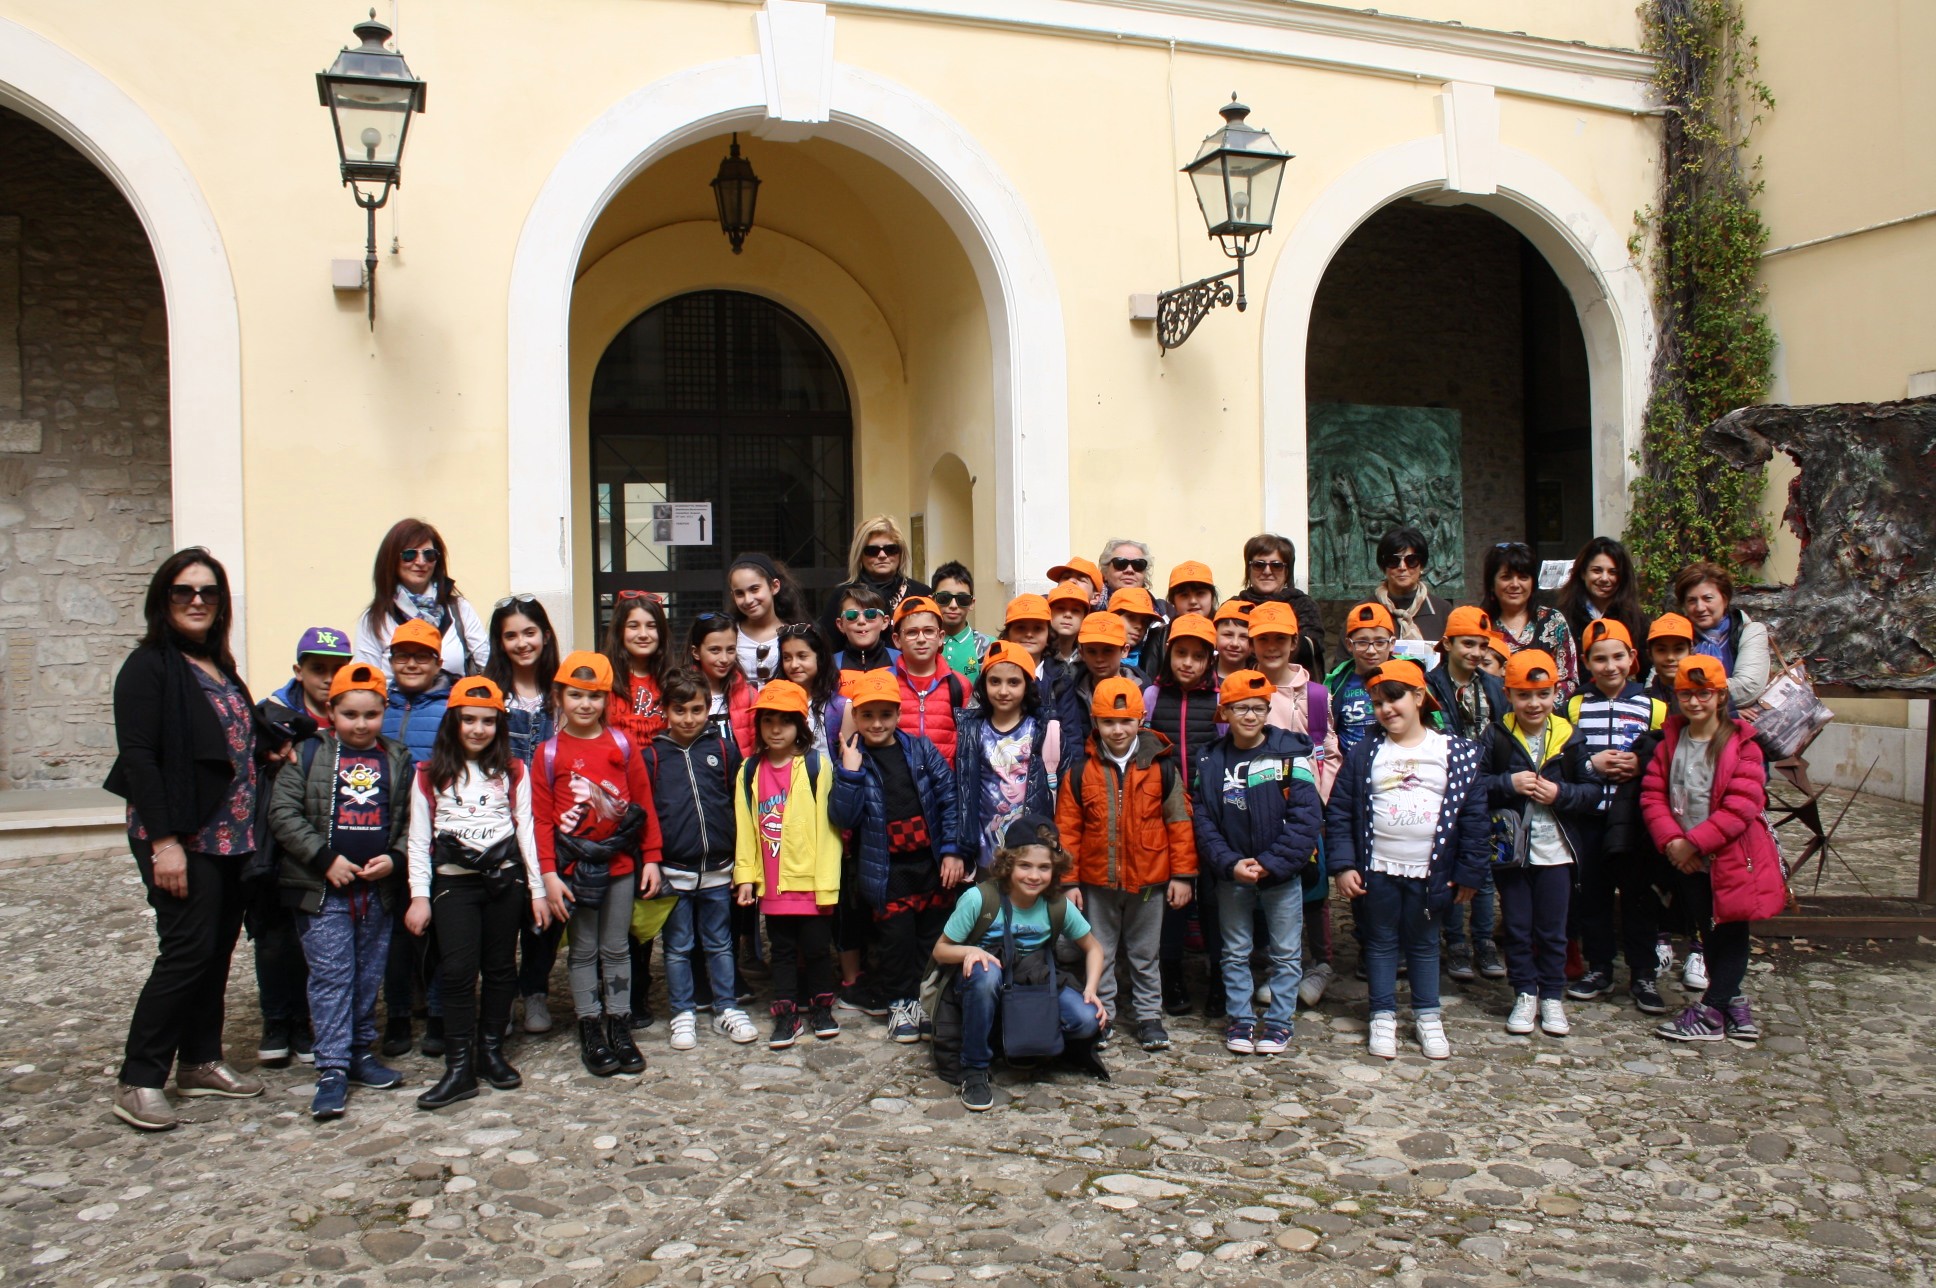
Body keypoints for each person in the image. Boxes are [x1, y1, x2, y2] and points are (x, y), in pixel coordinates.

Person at [106, 550, 269, 1131]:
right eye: (183, 592)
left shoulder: (218, 666)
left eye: (208, 592)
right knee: (185, 952)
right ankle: (140, 1077)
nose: (196, 601)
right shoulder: (148, 667)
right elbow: (141, 760)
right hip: (184, 837)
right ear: (163, 600)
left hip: (230, 837)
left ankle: (199, 1061)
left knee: (216, 950)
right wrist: (164, 842)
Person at [268, 661, 411, 1120]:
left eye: (371, 714)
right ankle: (331, 1065)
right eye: (350, 714)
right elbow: (283, 814)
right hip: (324, 889)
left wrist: (396, 858)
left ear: (384, 712)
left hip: (376, 890)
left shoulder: (396, 757)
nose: (361, 724)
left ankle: (360, 1053)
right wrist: (324, 859)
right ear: (332, 711)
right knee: (332, 975)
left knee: (369, 972)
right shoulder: (310, 753)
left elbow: (411, 819)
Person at [1325, 660, 1489, 1062]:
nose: (1386, 709)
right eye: (1378, 702)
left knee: (1424, 943)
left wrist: (1469, 871)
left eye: (1394, 698)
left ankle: (1427, 1014)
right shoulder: (1366, 753)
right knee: (1379, 942)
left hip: (1430, 872)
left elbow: (1474, 817)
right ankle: (1382, 1013)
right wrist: (1344, 865)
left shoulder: (1454, 753)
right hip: (1378, 868)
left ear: (1419, 697)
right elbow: (1341, 811)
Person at [404, 677, 550, 1109]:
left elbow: (526, 831)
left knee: (502, 968)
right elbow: (418, 840)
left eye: (488, 721)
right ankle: (458, 1065)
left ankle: (490, 1052)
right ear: (454, 721)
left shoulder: (512, 771)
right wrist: (419, 895)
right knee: (457, 972)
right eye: (469, 719)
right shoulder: (430, 774)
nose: (478, 729)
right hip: (455, 883)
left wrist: (537, 891)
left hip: (505, 881)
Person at [1642, 658, 1788, 1044]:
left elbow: (1741, 805)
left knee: (1731, 933)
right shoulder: (1670, 741)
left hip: (1732, 860)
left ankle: (1712, 1010)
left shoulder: (1743, 746)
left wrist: (1694, 842)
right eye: (1686, 694)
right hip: (1688, 862)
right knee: (1707, 930)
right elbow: (1653, 795)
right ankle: (1732, 1003)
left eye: (1703, 693)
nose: (1694, 701)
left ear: (1721, 695)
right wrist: (1673, 842)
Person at [534, 651, 661, 1078]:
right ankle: (590, 1024)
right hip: (574, 871)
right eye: (576, 695)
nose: (585, 704)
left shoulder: (622, 745)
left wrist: (652, 860)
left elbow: (643, 804)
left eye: (594, 696)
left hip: (622, 865)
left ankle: (619, 1023)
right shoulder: (548, 754)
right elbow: (541, 820)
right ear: (559, 697)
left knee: (617, 947)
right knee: (583, 949)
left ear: (607, 699)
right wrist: (549, 874)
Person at [931, 815, 1108, 1112]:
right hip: (981, 981)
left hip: (1031, 980)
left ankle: (1026, 1040)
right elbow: (940, 950)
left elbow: (1094, 948)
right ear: (1008, 864)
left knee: (1087, 1019)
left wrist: (1090, 990)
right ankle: (974, 1068)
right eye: (1025, 866)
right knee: (985, 975)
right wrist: (969, 953)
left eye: (1044, 868)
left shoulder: (1057, 905)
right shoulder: (978, 899)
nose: (1034, 876)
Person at [1057, 677, 1196, 1052]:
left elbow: (1180, 823)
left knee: (1145, 952)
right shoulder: (1079, 772)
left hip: (1150, 881)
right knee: (1099, 951)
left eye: (1125, 721)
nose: (1117, 730)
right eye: (1107, 722)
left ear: (1141, 719)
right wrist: (1068, 881)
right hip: (1097, 882)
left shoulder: (1162, 769)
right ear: (1095, 721)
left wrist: (1183, 876)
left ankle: (1149, 1015)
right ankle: (1103, 1015)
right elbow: (1067, 831)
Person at [1191, 670, 1323, 1057]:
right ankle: (1241, 1018)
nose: (1249, 716)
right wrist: (1229, 863)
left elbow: (1306, 818)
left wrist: (1270, 863)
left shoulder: (1291, 753)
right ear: (1224, 713)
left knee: (1285, 952)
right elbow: (1203, 819)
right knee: (1234, 951)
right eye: (1240, 708)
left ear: (1268, 711)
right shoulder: (1210, 760)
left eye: (1257, 708)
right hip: (1231, 874)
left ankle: (1280, 1022)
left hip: (1280, 874)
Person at [831, 668, 962, 1043]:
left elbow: (948, 798)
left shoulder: (920, 750)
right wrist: (850, 775)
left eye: (885, 714)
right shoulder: (852, 760)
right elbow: (843, 816)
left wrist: (951, 851)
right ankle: (899, 1002)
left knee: (929, 938)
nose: (876, 723)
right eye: (867, 715)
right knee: (896, 940)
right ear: (856, 716)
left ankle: (924, 1000)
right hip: (888, 868)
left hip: (928, 863)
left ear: (897, 713)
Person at [249, 627, 352, 1069]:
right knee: (275, 935)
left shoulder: (353, 711)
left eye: (336, 669)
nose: (327, 678)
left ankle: (308, 1020)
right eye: (318, 669)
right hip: (280, 841)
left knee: (316, 935)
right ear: (299, 671)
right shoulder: (271, 715)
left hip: (332, 844)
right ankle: (277, 1020)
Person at [641, 670, 758, 1050]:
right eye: (680, 710)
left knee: (721, 943)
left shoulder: (723, 750)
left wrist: (742, 866)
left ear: (709, 709)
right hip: (674, 871)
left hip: (719, 869)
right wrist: (653, 862)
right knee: (677, 947)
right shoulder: (653, 757)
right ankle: (682, 1012)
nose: (689, 718)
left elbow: (739, 805)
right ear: (665, 711)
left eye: (696, 709)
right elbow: (648, 815)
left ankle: (726, 1007)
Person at [1484, 650, 1595, 1039]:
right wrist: (1506, 785)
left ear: (1555, 693)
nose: (1534, 704)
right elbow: (1476, 786)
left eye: (1543, 694)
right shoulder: (1497, 735)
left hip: (1557, 850)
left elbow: (1590, 791)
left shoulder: (1569, 736)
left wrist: (1560, 793)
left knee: (1553, 929)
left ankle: (1551, 995)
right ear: (1508, 693)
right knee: (1517, 926)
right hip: (1511, 851)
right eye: (1524, 695)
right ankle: (1524, 992)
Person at [1563, 619, 1668, 1008]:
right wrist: (1593, 766)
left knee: (1639, 896)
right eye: (1600, 659)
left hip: (1634, 817)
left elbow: (1663, 752)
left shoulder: (1652, 705)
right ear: (1587, 663)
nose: (1610, 666)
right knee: (1593, 894)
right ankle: (1600, 966)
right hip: (1590, 814)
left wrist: (1640, 765)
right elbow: (1567, 755)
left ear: (1632, 658)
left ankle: (1643, 973)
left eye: (1618, 657)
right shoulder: (1575, 704)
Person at [733, 680, 844, 1048]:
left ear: (800, 725)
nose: (775, 729)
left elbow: (829, 833)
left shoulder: (816, 766)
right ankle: (787, 1015)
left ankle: (821, 1007)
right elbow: (746, 829)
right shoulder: (750, 770)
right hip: (773, 883)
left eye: (784, 720)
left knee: (815, 949)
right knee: (781, 951)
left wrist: (826, 885)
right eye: (768, 721)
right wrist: (746, 876)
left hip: (812, 884)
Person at [485, 595, 566, 1035]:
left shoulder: (562, 693)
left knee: (547, 911)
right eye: (511, 635)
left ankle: (534, 989)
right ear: (500, 642)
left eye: (529, 632)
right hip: (499, 820)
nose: (522, 642)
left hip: (550, 820)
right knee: (504, 908)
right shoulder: (490, 693)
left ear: (545, 635)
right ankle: (499, 998)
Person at [378, 617, 453, 1057]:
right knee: (397, 934)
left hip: (436, 832)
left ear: (437, 662)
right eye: (402, 655)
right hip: (386, 835)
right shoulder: (377, 702)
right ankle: (400, 1015)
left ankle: (441, 1014)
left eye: (420, 656)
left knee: (441, 931)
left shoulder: (449, 706)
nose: (410, 664)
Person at [1143, 614, 1224, 1018]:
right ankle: (1170, 974)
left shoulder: (1221, 698)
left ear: (1211, 659)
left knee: (1212, 899)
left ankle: (1219, 977)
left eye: (1197, 655)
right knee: (1170, 899)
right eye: (1181, 653)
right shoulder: (1154, 697)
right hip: (1165, 813)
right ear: (1168, 653)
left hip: (1209, 814)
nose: (1188, 663)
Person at [1425, 604, 1507, 984]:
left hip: (1485, 785)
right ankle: (1455, 942)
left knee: (1483, 868)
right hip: (1444, 788)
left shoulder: (1493, 687)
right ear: (1448, 643)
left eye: (1481, 645)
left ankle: (1484, 941)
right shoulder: (1430, 684)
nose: (1475, 652)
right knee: (1452, 869)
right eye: (1467, 644)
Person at [955, 642, 1060, 873]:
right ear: (984, 685)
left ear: (1027, 685)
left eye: (1013, 682)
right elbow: (963, 787)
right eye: (995, 681)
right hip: (985, 848)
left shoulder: (1043, 729)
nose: (1003, 691)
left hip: (1032, 849)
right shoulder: (972, 730)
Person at [352, 518, 490, 683]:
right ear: (391, 560)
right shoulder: (374, 619)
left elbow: (487, 665)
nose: (420, 562)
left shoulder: (458, 609)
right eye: (409, 555)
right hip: (395, 708)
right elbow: (366, 683)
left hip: (452, 706)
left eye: (429, 555)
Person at [1482, 541, 1580, 701]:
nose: (1515, 584)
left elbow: (1568, 680)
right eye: (1506, 577)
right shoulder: (1479, 624)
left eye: (1523, 577)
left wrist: (1537, 710)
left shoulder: (1553, 621)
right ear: (1492, 584)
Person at [1675, 561, 1773, 709]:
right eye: (1691, 601)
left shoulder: (1750, 631)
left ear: (1725, 599)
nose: (1700, 607)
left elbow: (1747, 688)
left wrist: (1684, 690)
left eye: (1708, 598)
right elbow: (1655, 687)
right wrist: (1729, 710)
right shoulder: (1677, 637)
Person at [819, 515, 930, 642]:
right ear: (860, 554)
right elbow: (827, 648)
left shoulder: (922, 594)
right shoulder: (841, 596)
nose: (882, 555)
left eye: (890, 549)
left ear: (901, 553)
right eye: (872, 550)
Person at [1556, 537, 1649, 687]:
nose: (1605, 578)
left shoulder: (1636, 619)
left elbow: (1645, 673)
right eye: (1597, 571)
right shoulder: (1562, 618)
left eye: (1613, 572)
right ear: (1583, 573)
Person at [891, 596, 967, 767]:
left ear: (940, 637)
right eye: (911, 632)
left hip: (946, 787)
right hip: (899, 786)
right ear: (897, 640)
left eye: (929, 631)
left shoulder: (959, 685)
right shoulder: (884, 683)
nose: (921, 639)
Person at [1237, 534, 1325, 674]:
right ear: (1249, 569)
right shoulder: (1235, 606)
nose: (1267, 571)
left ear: (1287, 571)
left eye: (1276, 565)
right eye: (1259, 565)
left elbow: (1310, 648)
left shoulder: (1304, 605)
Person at [1325, 602, 1398, 755]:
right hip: (1349, 767)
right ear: (1349, 645)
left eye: (1379, 642)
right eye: (1362, 643)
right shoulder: (1338, 683)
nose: (1371, 651)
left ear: (1392, 644)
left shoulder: (1407, 680)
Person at [603, 590, 672, 743]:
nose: (643, 634)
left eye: (651, 626)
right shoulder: (603, 676)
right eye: (633, 626)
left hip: (659, 764)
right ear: (620, 631)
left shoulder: (673, 680)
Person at [729, 553, 805, 688]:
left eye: (754, 589)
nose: (748, 600)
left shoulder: (798, 633)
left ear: (774, 586)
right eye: (740, 593)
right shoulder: (728, 635)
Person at [1368, 526, 1451, 642]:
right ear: (1383, 566)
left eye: (1411, 560)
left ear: (1421, 565)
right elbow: (1345, 658)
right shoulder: (1365, 610)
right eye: (1393, 561)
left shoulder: (1443, 611)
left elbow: (1453, 658)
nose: (1402, 567)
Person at [778, 622, 845, 763]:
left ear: (819, 657)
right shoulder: (774, 703)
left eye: (802, 656)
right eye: (787, 657)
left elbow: (846, 762)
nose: (794, 665)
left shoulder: (840, 707)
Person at [690, 612, 756, 755]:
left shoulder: (748, 694)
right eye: (715, 650)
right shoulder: (682, 693)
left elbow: (756, 745)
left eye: (730, 650)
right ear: (696, 652)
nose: (724, 659)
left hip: (740, 775)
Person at [931, 561, 992, 680]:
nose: (953, 605)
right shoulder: (922, 642)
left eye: (962, 599)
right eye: (944, 598)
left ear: (971, 603)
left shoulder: (988, 645)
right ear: (932, 600)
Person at [831, 585, 900, 673]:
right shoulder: (830, 666)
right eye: (851, 615)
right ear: (841, 624)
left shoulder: (901, 661)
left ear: (885, 622)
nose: (861, 621)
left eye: (871, 614)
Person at [1108, 586, 1161, 672]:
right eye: (1131, 617)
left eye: (1145, 621)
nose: (1139, 626)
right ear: (1112, 616)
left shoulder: (1148, 657)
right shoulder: (1094, 655)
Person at [998, 594, 1052, 665]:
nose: (1029, 634)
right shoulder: (993, 673)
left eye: (1038, 628)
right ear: (1007, 634)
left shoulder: (1064, 674)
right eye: (1021, 627)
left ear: (1048, 636)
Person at [1212, 599, 1253, 685]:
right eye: (1228, 635)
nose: (1235, 643)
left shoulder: (1259, 680)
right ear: (1214, 635)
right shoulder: (1200, 676)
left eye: (1244, 637)